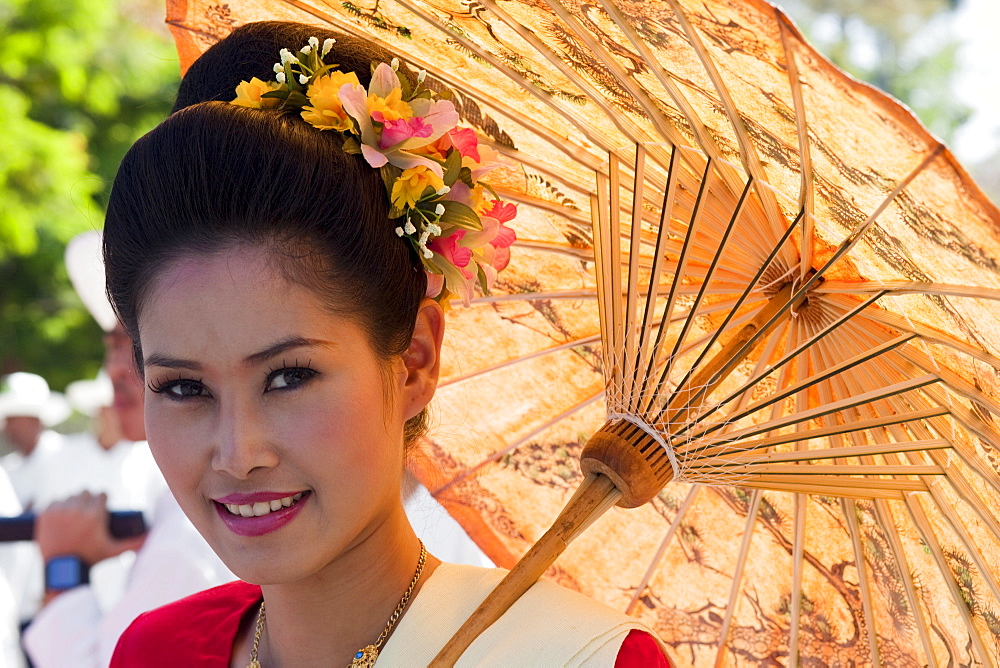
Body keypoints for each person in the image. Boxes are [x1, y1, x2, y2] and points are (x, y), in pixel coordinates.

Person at [105, 22, 669, 666]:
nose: (239, 454)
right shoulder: (158, 651)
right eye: (184, 388)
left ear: (414, 362)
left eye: (289, 376)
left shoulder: (579, 660)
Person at [20, 231, 235, 668]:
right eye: (113, 346)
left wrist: (64, 566)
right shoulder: (188, 515)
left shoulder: (196, 530)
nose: (115, 369)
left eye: (135, 344)